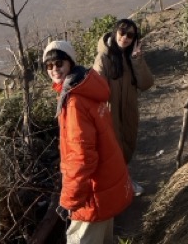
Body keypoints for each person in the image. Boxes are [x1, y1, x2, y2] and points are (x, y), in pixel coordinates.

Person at [43, 40, 133, 244]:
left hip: (92, 194)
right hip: (106, 183)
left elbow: (81, 157)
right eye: (49, 66)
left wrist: (69, 201)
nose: (54, 70)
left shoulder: (74, 102)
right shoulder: (89, 89)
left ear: (70, 63)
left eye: (59, 64)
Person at [93, 19, 154, 197]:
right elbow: (97, 90)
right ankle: (120, 185)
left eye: (130, 35)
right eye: (122, 32)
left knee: (127, 144)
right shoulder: (103, 58)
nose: (125, 38)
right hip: (110, 112)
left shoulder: (131, 57)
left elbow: (146, 84)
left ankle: (122, 182)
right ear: (115, 32)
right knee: (113, 149)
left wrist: (137, 60)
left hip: (128, 109)